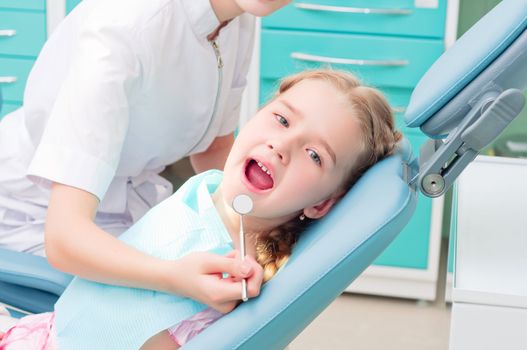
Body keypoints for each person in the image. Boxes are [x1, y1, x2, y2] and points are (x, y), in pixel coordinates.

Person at [0, 69, 402, 349]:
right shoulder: (210, 188)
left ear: (320, 205)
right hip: (38, 332)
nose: (283, 145)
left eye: (314, 155)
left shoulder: (229, 273)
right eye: (281, 119)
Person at [0, 0, 291, 314]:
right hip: (33, 209)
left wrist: (249, 239)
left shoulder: (236, 20)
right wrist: (176, 277)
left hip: (122, 200)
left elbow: (214, 148)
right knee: (179, 313)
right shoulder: (126, 26)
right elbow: (64, 236)